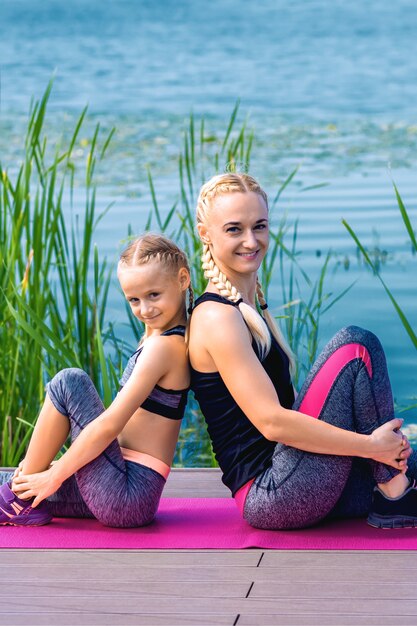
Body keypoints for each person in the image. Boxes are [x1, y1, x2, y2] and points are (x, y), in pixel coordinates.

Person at [188, 172, 417, 530]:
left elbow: (291, 403)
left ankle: (395, 481)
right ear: (206, 234)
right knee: (355, 345)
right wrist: (369, 446)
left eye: (259, 226)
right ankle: (395, 493)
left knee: (409, 457)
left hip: (299, 477)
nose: (251, 240)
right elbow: (272, 422)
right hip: (272, 493)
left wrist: (380, 446)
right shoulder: (217, 316)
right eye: (234, 229)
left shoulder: (249, 305)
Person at [0, 233, 192, 528]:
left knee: (70, 382)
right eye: (134, 300)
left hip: (127, 491)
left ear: (182, 279)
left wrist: (56, 473)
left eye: (154, 295)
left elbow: (109, 425)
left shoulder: (165, 347)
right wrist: (51, 471)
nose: (145, 309)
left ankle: (14, 501)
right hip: (117, 482)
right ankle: (16, 496)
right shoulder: (157, 336)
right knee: (12, 481)